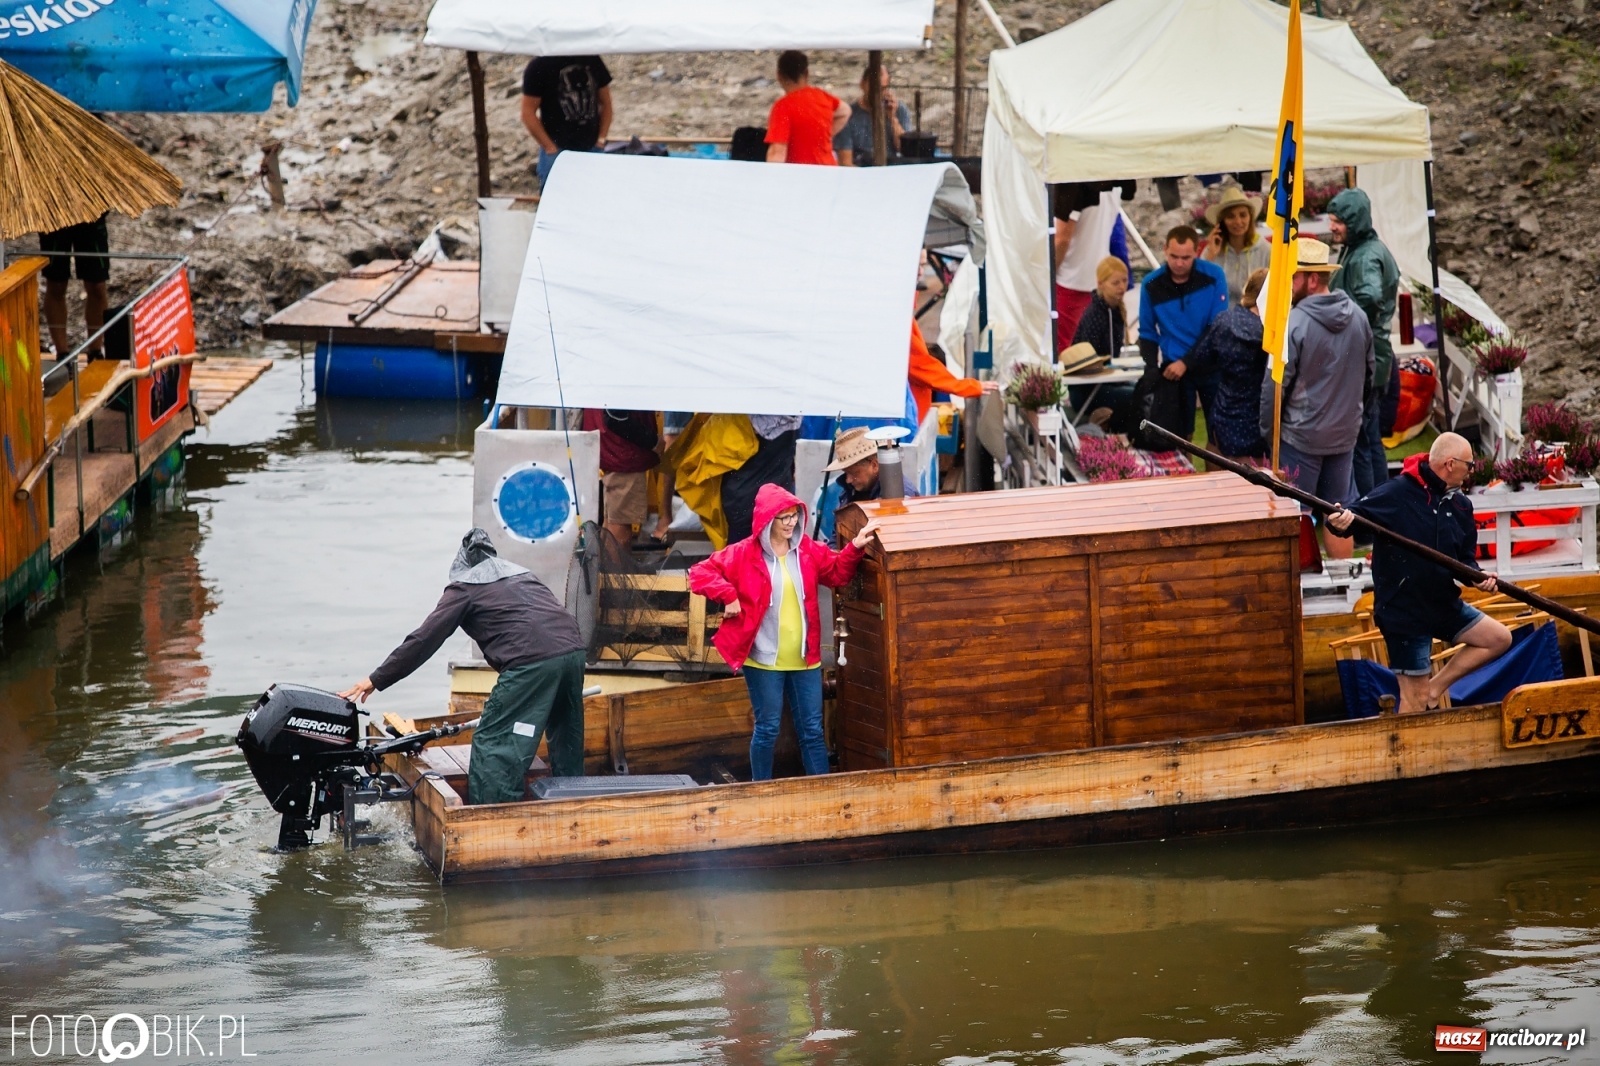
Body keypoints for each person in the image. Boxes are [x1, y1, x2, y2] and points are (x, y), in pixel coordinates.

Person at [339, 529, 587, 804]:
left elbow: (424, 640)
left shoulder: (464, 589)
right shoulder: (523, 576)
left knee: (494, 743)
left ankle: (493, 816)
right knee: (566, 733)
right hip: (574, 653)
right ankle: (575, 801)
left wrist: (377, 678)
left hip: (532, 663)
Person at [689, 485, 879, 780]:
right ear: (767, 520)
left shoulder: (808, 550)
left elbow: (837, 573)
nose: (792, 523)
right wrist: (728, 595)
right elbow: (700, 572)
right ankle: (760, 791)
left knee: (813, 731)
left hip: (806, 659)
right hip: (763, 661)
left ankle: (821, 791)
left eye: (795, 516)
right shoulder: (742, 553)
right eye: (785, 517)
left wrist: (854, 547)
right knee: (767, 730)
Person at [1327, 433, 1511, 714]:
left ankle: (1436, 688)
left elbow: (1465, 562)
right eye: (1470, 465)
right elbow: (1352, 517)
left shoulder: (1461, 506)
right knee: (1413, 700)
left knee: (1498, 638)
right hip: (1405, 613)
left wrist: (1478, 577)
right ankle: (1406, 743)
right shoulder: (1397, 493)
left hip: (1442, 604)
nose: (1472, 470)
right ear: (1450, 464)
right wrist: (1338, 521)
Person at [1258, 238, 1373, 560]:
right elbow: (1370, 377)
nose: (1287, 285)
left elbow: (1274, 388)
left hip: (1301, 436)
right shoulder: (1359, 317)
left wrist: (1268, 431)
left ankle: (1297, 584)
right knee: (1339, 514)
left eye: (1292, 277)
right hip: (1343, 434)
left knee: (1295, 513)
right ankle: (1345, 583)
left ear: (1310, 279)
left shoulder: (1293, 323)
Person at [1328, 188, 1401, 499]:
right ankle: (1381, 506)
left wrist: (1338, 322)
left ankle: (1370, 510)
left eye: (1338, 221)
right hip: (1373, 354)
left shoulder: (1365, 256)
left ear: (1355, 221)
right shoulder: (1361, 248)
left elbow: (1370, 298)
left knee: (1361, 441)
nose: (1332, 227)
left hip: (1364, 357)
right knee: (1369, 438)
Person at [1139, 225, 1230, 440]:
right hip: (1174, 370)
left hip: (1210, 364)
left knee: (1218, 434)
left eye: (1186, 258)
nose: (1179, 263)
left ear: (1197, 252)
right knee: (1180, 436)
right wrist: (1151, 370)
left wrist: (1186, 362)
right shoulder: (1150, 284)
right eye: (1174, 257)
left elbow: (1216, 327)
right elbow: (1147, 331)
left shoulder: (1214, 275)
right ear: (1165, 250)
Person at [1187, 267, 1269, 460]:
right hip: (1258, 421)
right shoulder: (1275, 334)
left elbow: (1201, 359)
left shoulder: (1224, 322)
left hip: (1225, 414)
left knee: (1219, 473)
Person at [1053, 184, 1130, 352]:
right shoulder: (1112, 181)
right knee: (1094, 352)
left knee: (1066, 355)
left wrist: (1046, 277)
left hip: (1070, 280)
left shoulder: (1073, 185)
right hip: (1096, 276)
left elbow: (1062, 238)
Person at [816, 427, 919, 545]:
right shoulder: (850, 491)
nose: (848, 480)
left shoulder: (903, 494)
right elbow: (836, 539)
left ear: (874, 465)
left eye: (854, 473)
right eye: (846, 473)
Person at [521, 54, 613, 186]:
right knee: (554, 195)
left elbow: (606, 103)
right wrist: (549, 147)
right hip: (557, 149)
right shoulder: (540, 65)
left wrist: (601, 139)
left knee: (594, 192)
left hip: (591, 146)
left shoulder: (591, 58)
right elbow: (528, 113)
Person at [582, 408, 659, 551]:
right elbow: (616, 417)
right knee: (620, 526)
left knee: (611, 522)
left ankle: (607, 564)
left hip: (612, 450)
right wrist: (651, 440)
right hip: (624, 455)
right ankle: (615, 565)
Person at [40, 214, 110, 358]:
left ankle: (95, 352)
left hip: (90, 213)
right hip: (54, 215)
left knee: (97, 285)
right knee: (56, 284)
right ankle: (62, 354)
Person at [765, 51, 850, 165]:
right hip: (828, 170)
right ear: (807, 73)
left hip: (800, 173)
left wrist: (770, 174)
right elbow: (845, 111)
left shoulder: (783, 106)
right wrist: (824, 135)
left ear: (779, 75)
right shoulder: (822, 96)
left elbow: (777, 151)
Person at [907, 319, 996, 422]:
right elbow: (919, 365)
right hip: (910, 415)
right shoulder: (900, 320)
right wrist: (966, 386)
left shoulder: (904, 318)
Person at [1201, 186, 1272, 307]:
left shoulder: (1267, 250)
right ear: (1222, 222)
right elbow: (1198, 290)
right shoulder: (1210, 250)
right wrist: (1210, 257)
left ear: (1250, 218)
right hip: (1221, 315)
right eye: (1230, 216)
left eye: (1243, 215)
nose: (1238, 222)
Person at [834, 63, 912, 165]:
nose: (877, 93)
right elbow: (846, 162)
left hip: (891, 166)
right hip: (861, 168)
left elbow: (906, 149)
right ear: (862, 84)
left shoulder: (898, 109)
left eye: (882, 89)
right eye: (873, 88)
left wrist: (892, 118)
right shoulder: (849, 115)